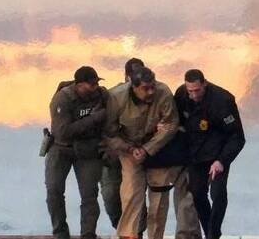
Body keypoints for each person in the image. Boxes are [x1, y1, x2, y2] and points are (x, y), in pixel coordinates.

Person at [104, 67, 199, 239]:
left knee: (159, 196)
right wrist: (130, 149)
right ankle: (129, 235)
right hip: (129, 148)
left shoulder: (163, 92)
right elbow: (109, 133)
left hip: (157, 148)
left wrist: (148, 149)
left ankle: (155, 236)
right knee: (131, 192)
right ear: (133, 86)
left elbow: (171, 123)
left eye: (152, 86)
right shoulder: (116, 97)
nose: (151, 92)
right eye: (145, 88)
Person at [174, 69, 245, 239]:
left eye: (197, 90)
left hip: (218, 154)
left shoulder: (223, 100)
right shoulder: (182, 95)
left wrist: (221, 161)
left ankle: (213, 233)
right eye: (190, 91)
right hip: (196, 154)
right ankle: (210, 233)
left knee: (217, 194)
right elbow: (176, 119)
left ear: (204, 83)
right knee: (197, 194)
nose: (194, 95)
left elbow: (237, 137)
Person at [45, 66, 109, 239]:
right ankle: (60, 233)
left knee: (89, 194)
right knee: (54, 191)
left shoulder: (102, 95)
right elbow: (63, 132)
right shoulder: (63, 98)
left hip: (88, 149)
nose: (95, 87)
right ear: (78, 84)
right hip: (61, 148)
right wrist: (93, 119)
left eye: (96, 83)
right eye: (91, 84)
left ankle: (88, 234)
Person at [102, 58, 147, 231]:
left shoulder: (150, 94)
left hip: (136, 152)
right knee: (110, 195)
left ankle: (136, 231)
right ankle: (121, 228)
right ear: (126, 76)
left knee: (135, 194)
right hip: (113, 153)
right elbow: (104, 127)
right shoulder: (114, 96)